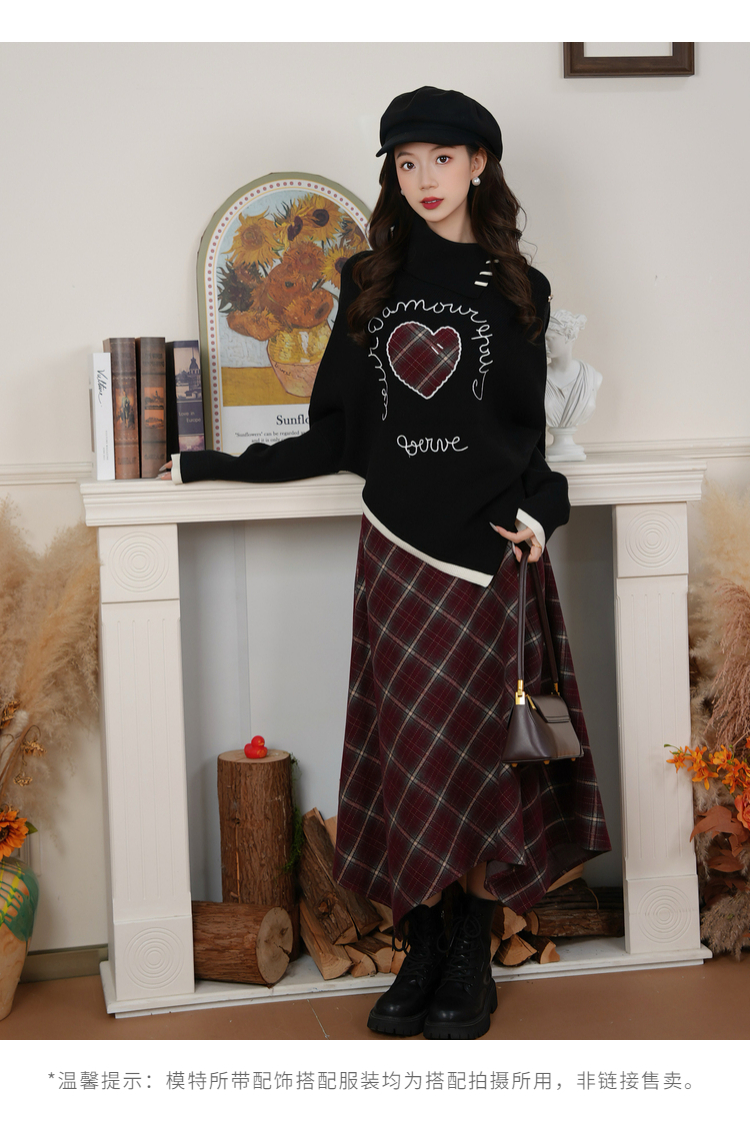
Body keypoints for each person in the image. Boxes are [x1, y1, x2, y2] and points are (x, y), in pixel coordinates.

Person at [160, 86, 610, 1040]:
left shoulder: (518, 288)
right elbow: (333, 432)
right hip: (399, 553)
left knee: (481, 758)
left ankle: (471, 955)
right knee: (409, 755)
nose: (424, 179)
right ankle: (426, 946)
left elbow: (528, 445)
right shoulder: (370, 278)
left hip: (487, 559)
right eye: (406, 163)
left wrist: (542, 514)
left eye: (441, 159)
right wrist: (212, 465)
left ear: (479, 164)